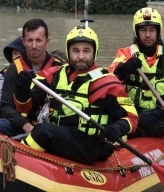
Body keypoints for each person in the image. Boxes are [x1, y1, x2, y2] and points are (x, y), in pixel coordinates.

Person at [13, 23, 138, 164]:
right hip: (61, 138)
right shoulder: (52, 75)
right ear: (68, 52)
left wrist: (117, 127)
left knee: (43, 131)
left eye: (86, 51)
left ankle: (16, 160)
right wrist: (22, 89)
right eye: (75, 51)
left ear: (94, 52)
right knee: (34, 132)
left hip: (92, 145)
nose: (81, 56)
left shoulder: (108, 83)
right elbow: (24, 109)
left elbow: (132, 118)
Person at [108, 7, 164, 138]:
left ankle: (123, 130)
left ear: (158, 31)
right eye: (143, 30)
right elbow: (110, 80)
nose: (148, 35)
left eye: (152, 30)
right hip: (130, 111)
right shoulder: (125, 54)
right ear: (136, 32)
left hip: (158, 116)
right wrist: (124, 68)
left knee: (144, 119)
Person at [0, 18, 63, 137]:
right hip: (23, 125)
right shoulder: (14, 68)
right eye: (30, 40)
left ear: (47, 41)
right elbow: (5, 107)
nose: (34, 46)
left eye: (38, 40)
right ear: (23, 42)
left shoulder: (59, 67)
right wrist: (26, 126)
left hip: (50, 126)